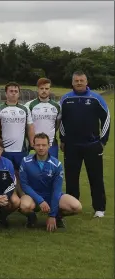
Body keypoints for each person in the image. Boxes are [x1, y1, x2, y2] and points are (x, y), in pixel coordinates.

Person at [59, 71, 110, 218]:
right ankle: (72, 205)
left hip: (92, 145)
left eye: (82, 80)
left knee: (96, 177)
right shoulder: (66, 99)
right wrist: (63, 139)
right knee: (71, 178)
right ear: (72, 82)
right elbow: (61, 120)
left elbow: (106, 117)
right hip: (72, 146)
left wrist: (102, 140)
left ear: (86, 82)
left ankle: (99, 208)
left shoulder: (95, 98)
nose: (79, 83)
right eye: (76, 80)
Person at [19, 133, 82, 231]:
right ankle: (32, 218)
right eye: (38, 145)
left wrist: (52, 215)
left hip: (51, 195)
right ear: (33, 145)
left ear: (49, 145)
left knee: (76, 207)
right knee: (24, 206)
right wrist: (40, 200)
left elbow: (57, 190)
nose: (41, 148)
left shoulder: (57, 165)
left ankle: (58, 217)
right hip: (33, 196)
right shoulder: (25, 161)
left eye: (44, 145)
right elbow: (24, 185)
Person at [0, 82, 34, 192]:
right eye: (11, 91)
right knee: (5, 176)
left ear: (19, 94)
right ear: (6, 93)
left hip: (21, 149)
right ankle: (6, 199)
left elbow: (30, 126)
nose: (13, 93)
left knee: (21, 175)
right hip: (5, 149)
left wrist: (32, 142)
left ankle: (22, 199)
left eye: (16, 91)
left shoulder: (25, 109)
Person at [25, 78, 61, 159]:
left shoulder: (57, 106)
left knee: (51, 168)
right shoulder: (29, 105)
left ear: (50, 89)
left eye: (46, 88)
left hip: (51, 144)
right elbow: (26, 126)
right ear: (37, 89)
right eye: (41, 88)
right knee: (33, 169)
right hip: (35, 144)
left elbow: (57, 124)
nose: (44, 91)